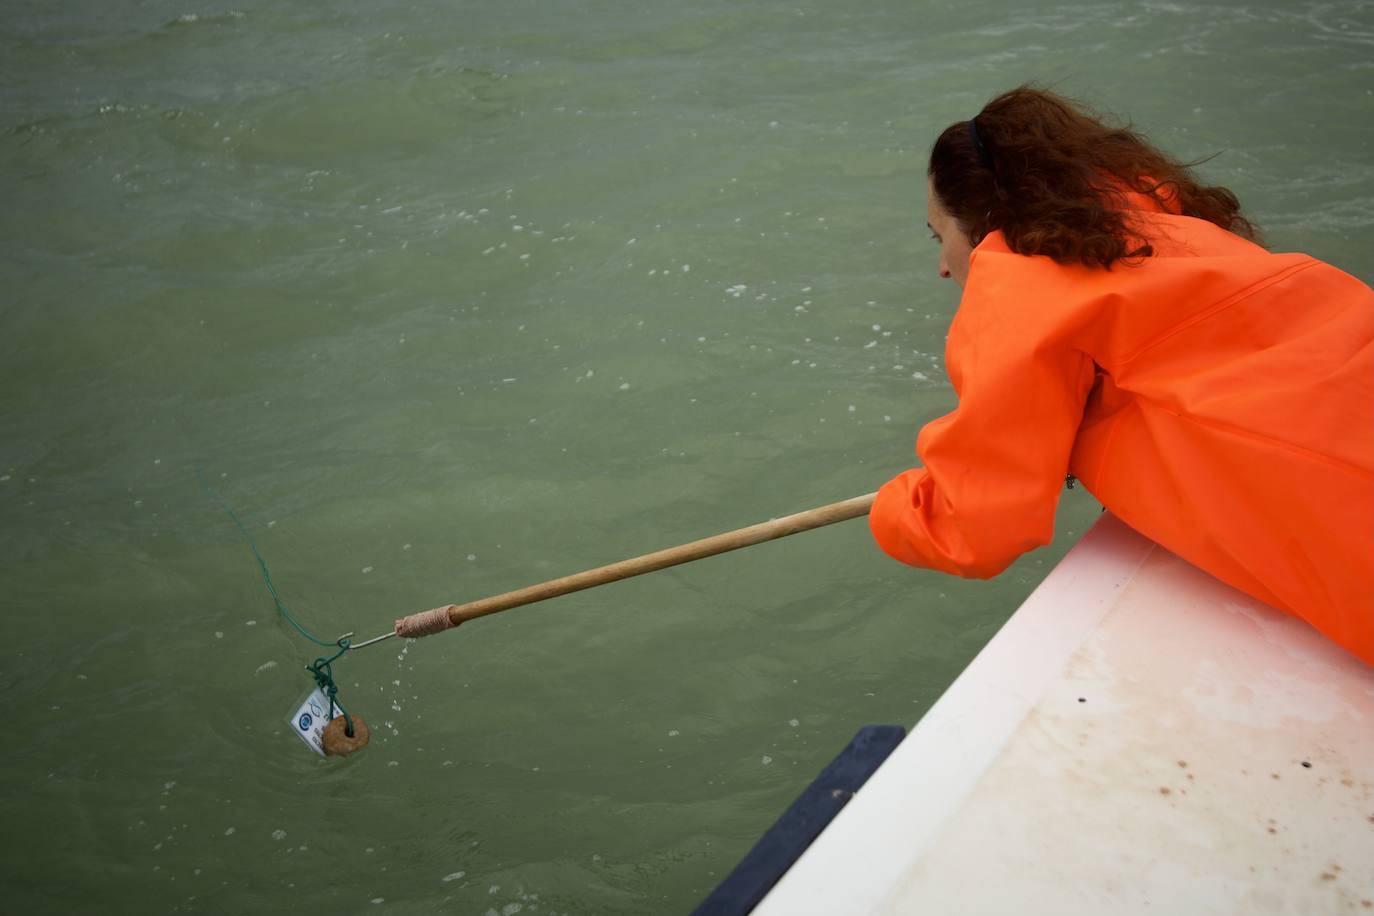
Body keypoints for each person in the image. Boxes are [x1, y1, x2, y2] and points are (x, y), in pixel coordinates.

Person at [868, 85, 1373, 665]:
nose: (940, 265)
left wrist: (895, 506)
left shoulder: (1018, 283)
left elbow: (968, 528)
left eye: (942, 236)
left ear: (984, 228)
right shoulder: (1183, 235)